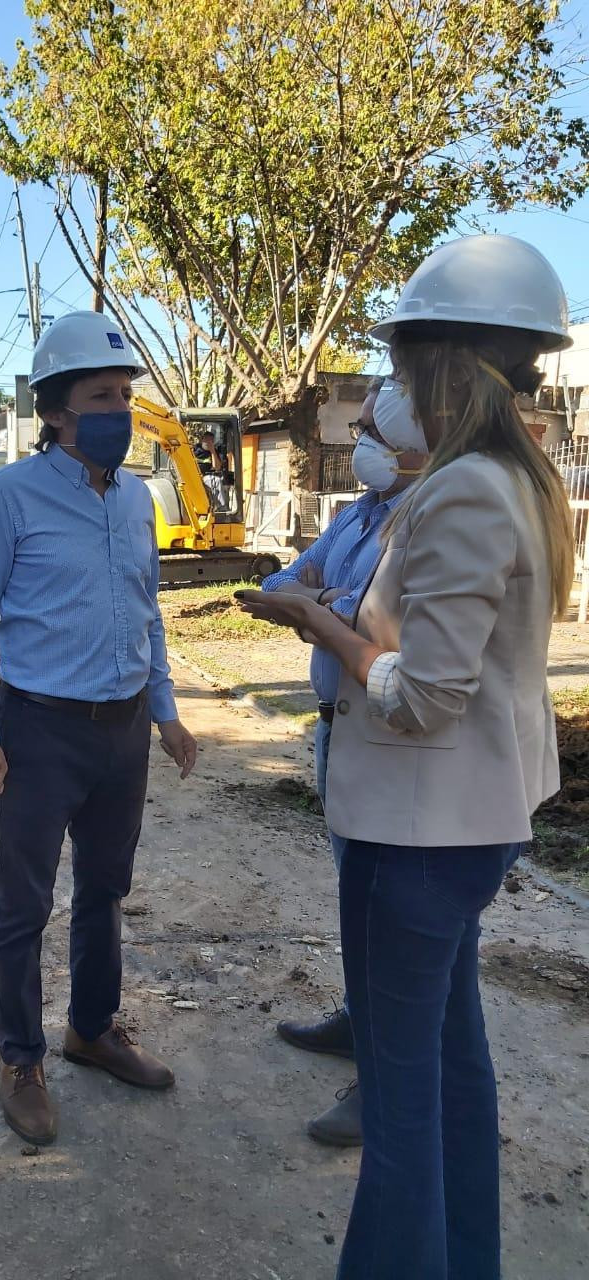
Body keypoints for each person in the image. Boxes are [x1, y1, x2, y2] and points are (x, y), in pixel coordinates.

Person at [237, 233, 572, 1279]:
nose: (387, 390)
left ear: (443, 362)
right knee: (452, 1071)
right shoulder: (501, 479)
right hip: (456, 824)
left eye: (397, 365)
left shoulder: (466, 488)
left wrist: (321, 624)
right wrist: (347, 612)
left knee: (401, 1095)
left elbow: (424, 696)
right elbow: (430, 636)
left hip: (419, 832)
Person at [0, 310, 197, 1147]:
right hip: (39, 730)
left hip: (121, 730)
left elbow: (146, 610)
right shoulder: (9, 497)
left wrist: (165, 713)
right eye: (102, 395)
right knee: (23, 903)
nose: (120, 410)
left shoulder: (137, 498)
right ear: (55, 411)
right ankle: (21, 1059)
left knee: (105, 890)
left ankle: (91, 1030)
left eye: (126, 394)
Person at [263, 377, 427, 1146]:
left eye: (370, 431)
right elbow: (278, 585)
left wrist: (322, 609)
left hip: (390, 736)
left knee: (394, 913)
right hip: (338, 725)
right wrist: (326, 605)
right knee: (355, 893)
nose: (358, 444)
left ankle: (384, 1080)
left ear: (414, 445)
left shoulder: (424, 524)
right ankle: (359, 1022)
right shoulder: (356, 514)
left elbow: (385, 637)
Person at [194, 429, 229, 509]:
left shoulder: (214, 452)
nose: (208, 442)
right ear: (202, 439)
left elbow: (217, 467)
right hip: (194, 476)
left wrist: (212, 451)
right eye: (207, 440)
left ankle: (221, 508)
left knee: (216, 481)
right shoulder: (194, 450)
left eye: (211, 441)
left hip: (205, 477)